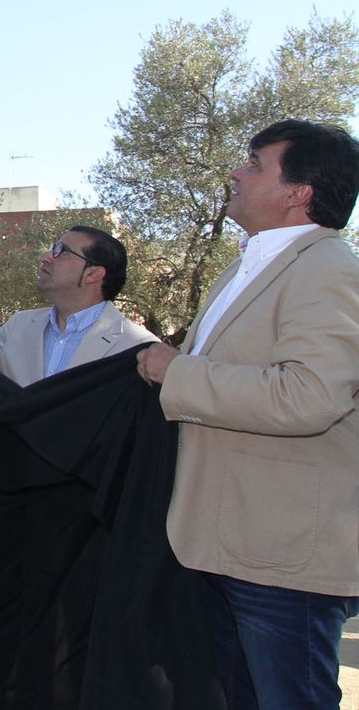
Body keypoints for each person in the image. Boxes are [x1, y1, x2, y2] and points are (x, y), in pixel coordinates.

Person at [138, 120, 359, 710]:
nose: (236, 172)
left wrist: (175, 372)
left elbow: (309, 396)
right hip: (223, 544)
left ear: (298, 192)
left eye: (255, 163)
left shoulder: (329, 269)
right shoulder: (245, 269)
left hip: (282, 555)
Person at [0, 225, 155, 386]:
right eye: (52, 249)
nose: (45, 257)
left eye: (62, 250)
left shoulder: (139, 347)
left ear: (93, 274)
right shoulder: (19, 325)